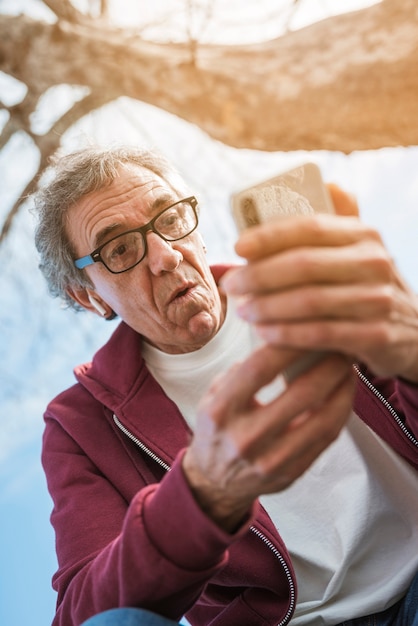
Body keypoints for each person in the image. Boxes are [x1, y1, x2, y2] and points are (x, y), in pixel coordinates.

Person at [33, 145, 418, 626]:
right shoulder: (80, 424)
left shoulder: (309, 290)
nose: (166, 257)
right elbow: (82, 614)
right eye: (120, 249)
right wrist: (203, 495)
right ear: (88, 296)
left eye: (170, 219)